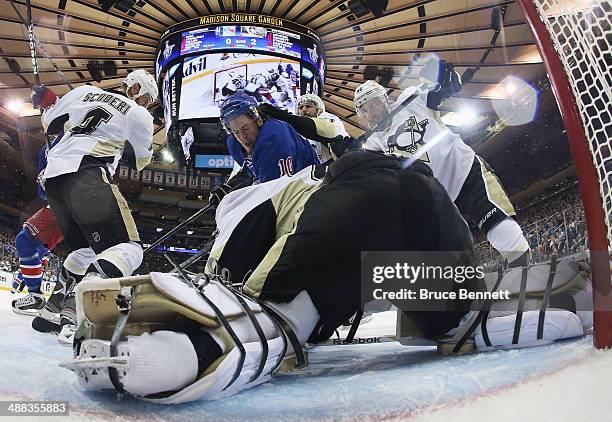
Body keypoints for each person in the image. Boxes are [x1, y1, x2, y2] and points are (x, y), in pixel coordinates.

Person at [63, 151, 588, 403]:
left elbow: (231, 268)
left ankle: (191, 346)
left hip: (353, 196)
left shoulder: (244, 203)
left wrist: (224, 284)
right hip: (433, 206)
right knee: (452, 324)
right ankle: (570, 299)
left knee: (268, 310)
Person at [354, 60, 530, 266]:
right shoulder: (373, 144)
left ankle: (527, 271)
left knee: (496, 223)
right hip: (436, 198)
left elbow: (448, 87)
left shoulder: (412, 99)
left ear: (385, 99)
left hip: (462, 170)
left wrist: (446, 80)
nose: (371, 113)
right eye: (364, 110)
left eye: (373, 104)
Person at [32, 68, 157, 343]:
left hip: (54, 180)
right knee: (129, 249)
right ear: (136, 89)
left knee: (86, 251)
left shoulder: (83, 92)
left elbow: (49, 120)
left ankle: (55, 309)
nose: (147, 104)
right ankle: (85, 309)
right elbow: (142, 159)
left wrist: (46, 100)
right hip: (88, 173)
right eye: (147, 98)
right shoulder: (139, 114)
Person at [208, 93, 320, 205]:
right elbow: (252, 171)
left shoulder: (275, 136)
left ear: (258, 121)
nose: (242, 136)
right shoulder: (234, 143)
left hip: (310, 192)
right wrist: (231, 187)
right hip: (286, 192)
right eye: (236, 132)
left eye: (246, 128)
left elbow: (273, 195)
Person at [295, 94, 349, 164]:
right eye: (301, 107)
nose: (304, 109)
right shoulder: (297, 132)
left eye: (308, 106)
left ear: (318, 108)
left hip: (339, 163)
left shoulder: (328, 118)